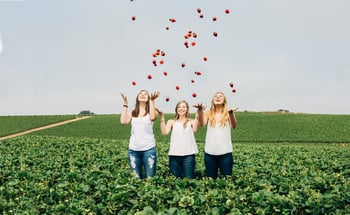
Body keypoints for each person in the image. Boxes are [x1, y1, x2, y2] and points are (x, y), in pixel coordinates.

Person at [197, 92, 238, 179]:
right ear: (213, 100)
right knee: (211, 179)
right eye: (216, 96)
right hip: (210, 153)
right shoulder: (208, 113)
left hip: (226, 153)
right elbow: (201, 123)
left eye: (220, 96)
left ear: (224, 101)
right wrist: (200, 110)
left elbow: (234, 126)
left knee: (227, 179)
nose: (218, 97)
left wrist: (231, 113)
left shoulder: (228, 113)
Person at [120, 90, 160, 179]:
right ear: (137, 98)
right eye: (141, 94)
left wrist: (152, 101)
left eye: (145, 94)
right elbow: (123, 122)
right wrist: (125, 104)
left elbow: (153, 118)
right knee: (136, 179)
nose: (143, 95)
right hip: (133, 150)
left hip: (149, 150)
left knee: (150, 178)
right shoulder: (132, 113)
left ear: (148, 98)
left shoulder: (151, 112)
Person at [158, 100, 200, 179]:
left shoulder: (191, 121)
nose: (181, 109)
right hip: (174, 156)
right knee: (175, 179)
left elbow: (195, 129)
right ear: (176, 109)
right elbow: (164, 132)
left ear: (187, 109)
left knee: (188, 179)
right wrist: (161, 117)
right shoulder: (171, 122)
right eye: (179, 107)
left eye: (183, 107)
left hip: (188, 155)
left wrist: (198, 114)